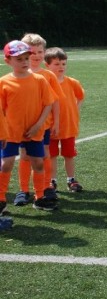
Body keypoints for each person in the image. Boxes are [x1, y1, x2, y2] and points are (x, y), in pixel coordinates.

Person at [0, 40, 55, 212]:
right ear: (8, 61)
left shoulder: (39, 80)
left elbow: (48, 104)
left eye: (26, 58)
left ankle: (39, 197)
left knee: (38, 163)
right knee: (6, 164)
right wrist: (2, 133)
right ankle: (1, 199)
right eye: (19, 59)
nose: (24, 62)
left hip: (34, 132)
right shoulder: (3, 82)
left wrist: (39, 125)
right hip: (11, 132)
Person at [15, 33, 64, 206]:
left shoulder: (48, 76)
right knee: (25, 156)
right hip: (22, 126)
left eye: (40, 51)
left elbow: (55, 101)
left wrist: (56, 122)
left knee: (44, 155)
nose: (36, 56)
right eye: (32, 52)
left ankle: (45, 187)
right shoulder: (17, 74)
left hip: (44, 125)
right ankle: (23, 190)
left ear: (44, 53)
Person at [44, 47, 85, 193]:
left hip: (68, 126)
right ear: (47, 65)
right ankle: (52, 180)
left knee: (69, 154)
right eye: (56, 64)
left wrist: (75, 110)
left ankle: (71, 179)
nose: (61, 67)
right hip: (50, 126)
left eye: (63, 63)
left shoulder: (72, 82)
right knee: (52, 155)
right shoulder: (45, 83)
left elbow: (81, 96)